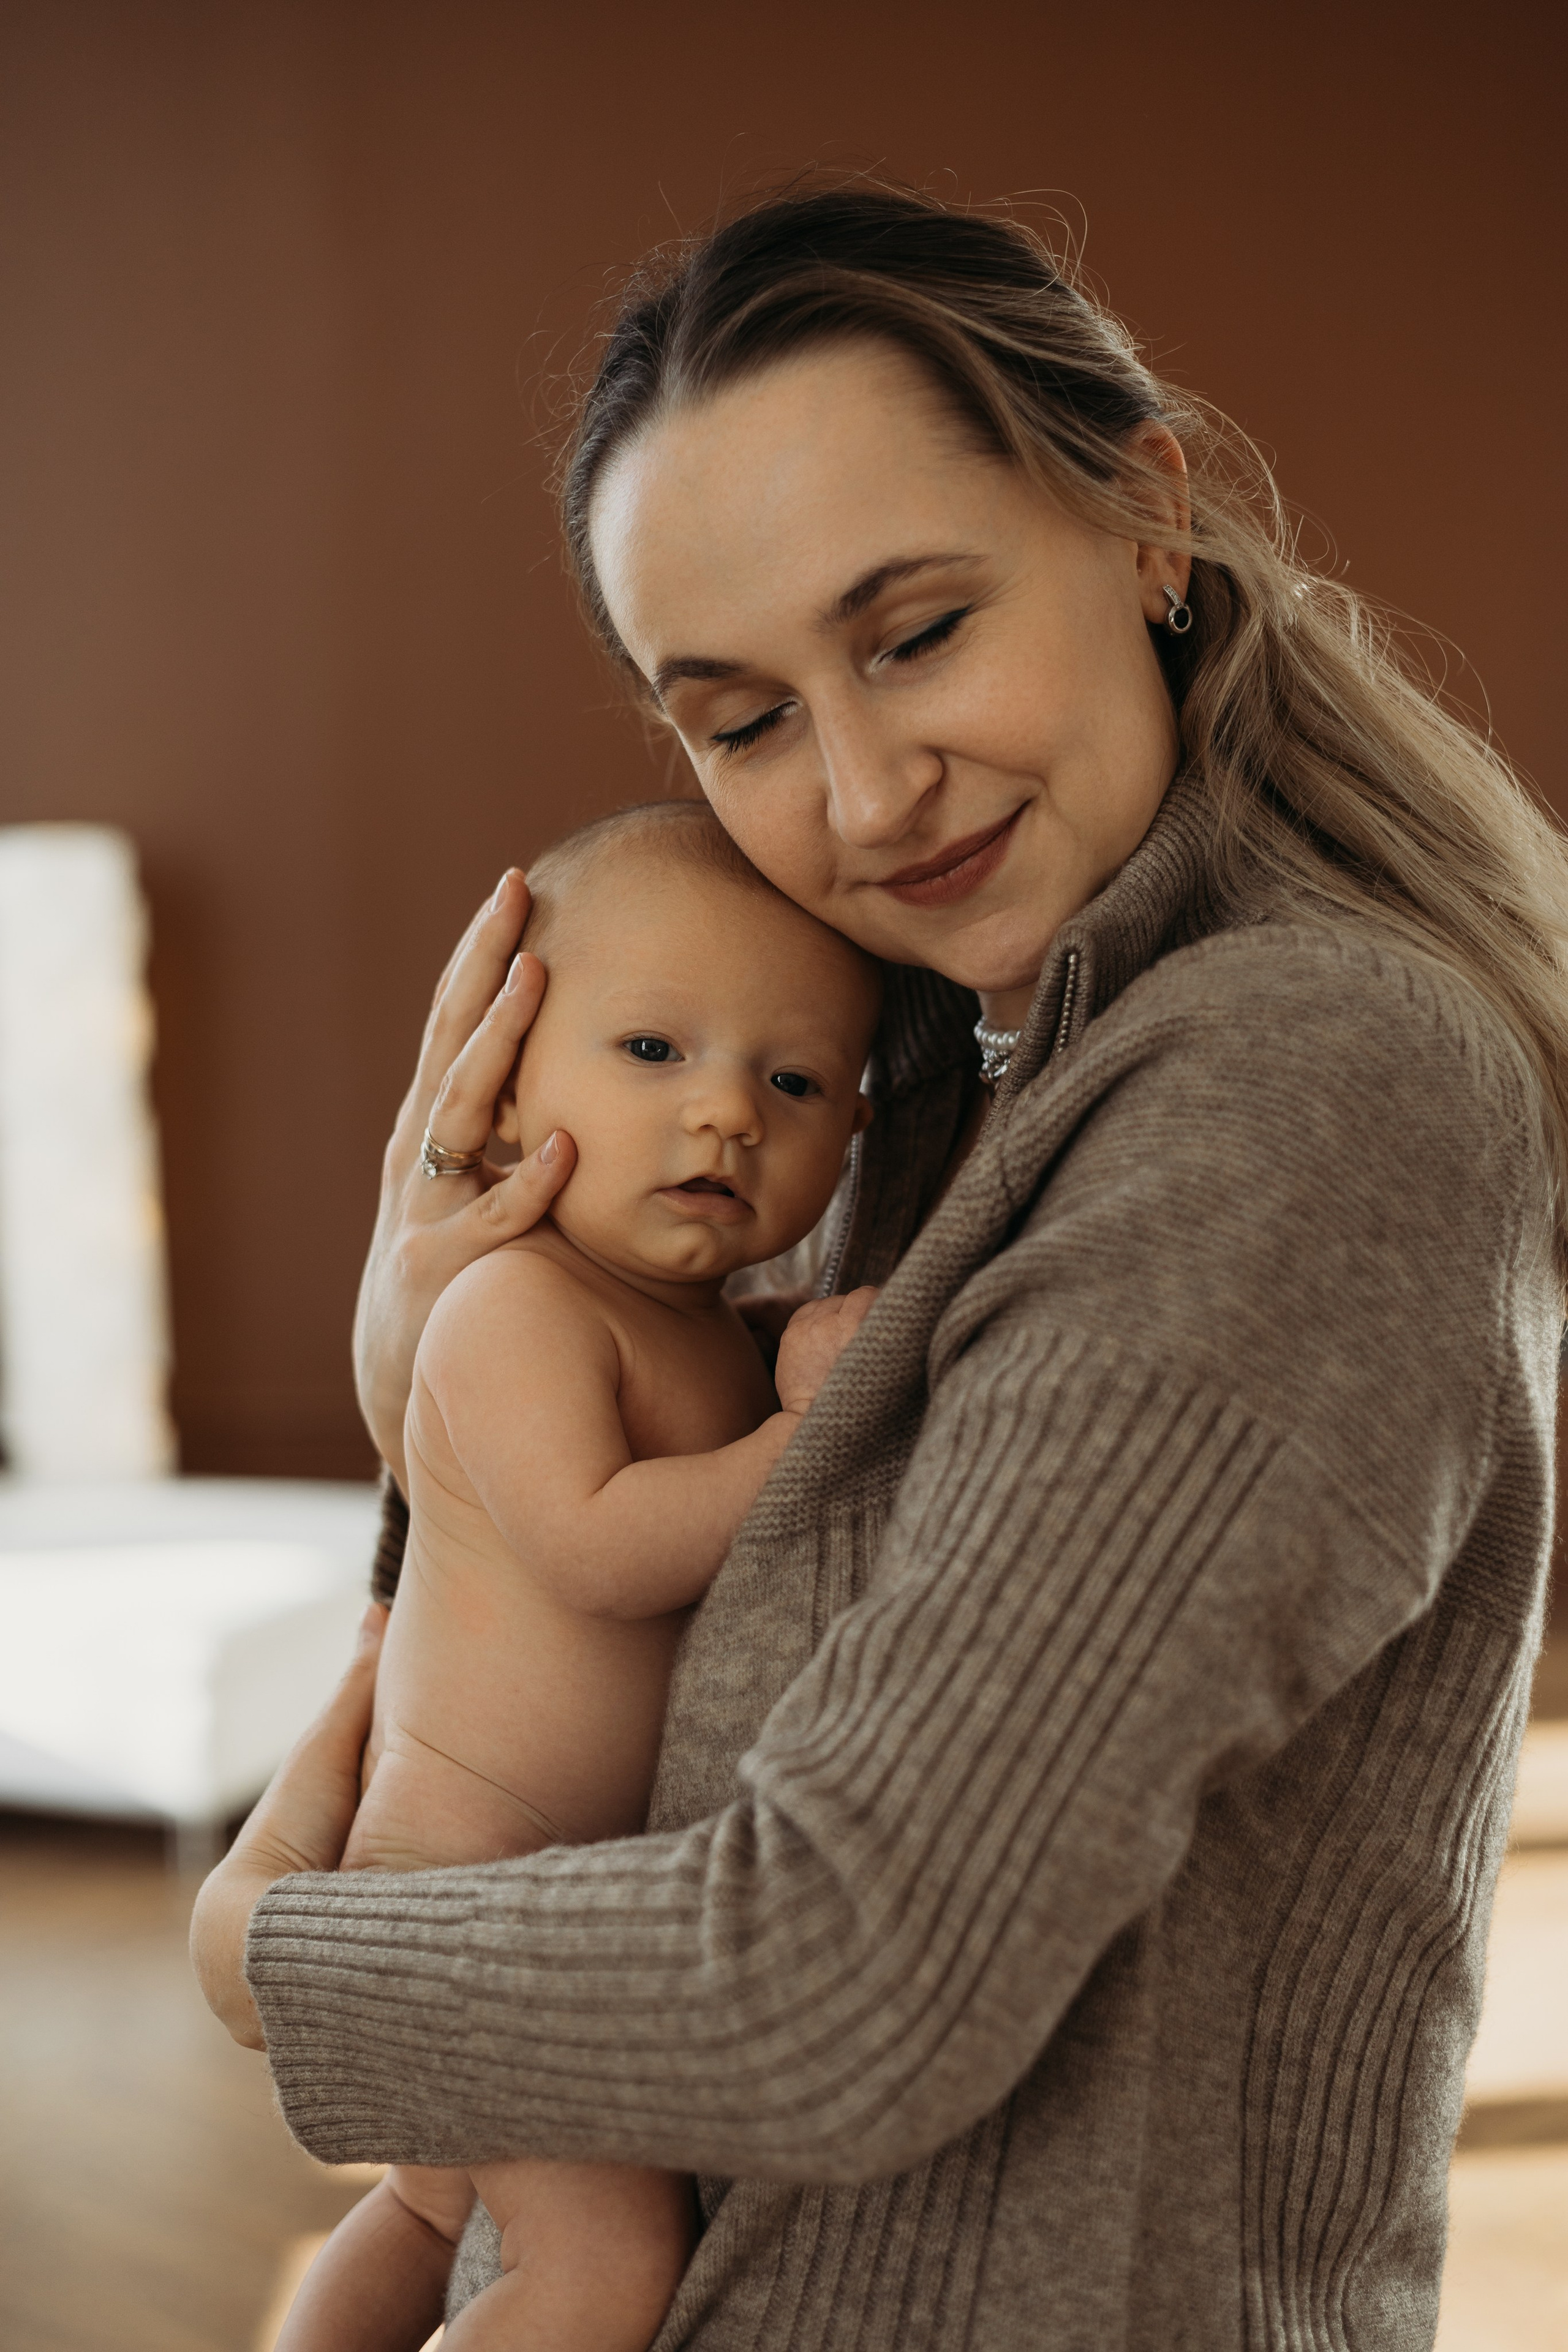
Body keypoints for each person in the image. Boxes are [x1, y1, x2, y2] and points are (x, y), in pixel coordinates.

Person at [194, 184, 1568, 2348]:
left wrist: (271, 1953)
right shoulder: (908, 1087)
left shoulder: (1306, 1084)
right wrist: (429, 1353)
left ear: (1145, 520)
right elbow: (636, 1601)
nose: (860, 786)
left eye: (915, 631)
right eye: (737, 720)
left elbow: (853, 1971)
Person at [273, 801, 882, 2351]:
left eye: (793, 1080)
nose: (727, 1116)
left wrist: (790, 1348)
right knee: (602, 2269)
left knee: (428, 2207)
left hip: (526, 1894)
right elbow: (602, 1546)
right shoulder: (510, 1305)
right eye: (654, 1053)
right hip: (458, 1895)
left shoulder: (686, 1322)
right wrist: (802, 1441)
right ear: (508, 1071)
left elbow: (712, 1415)